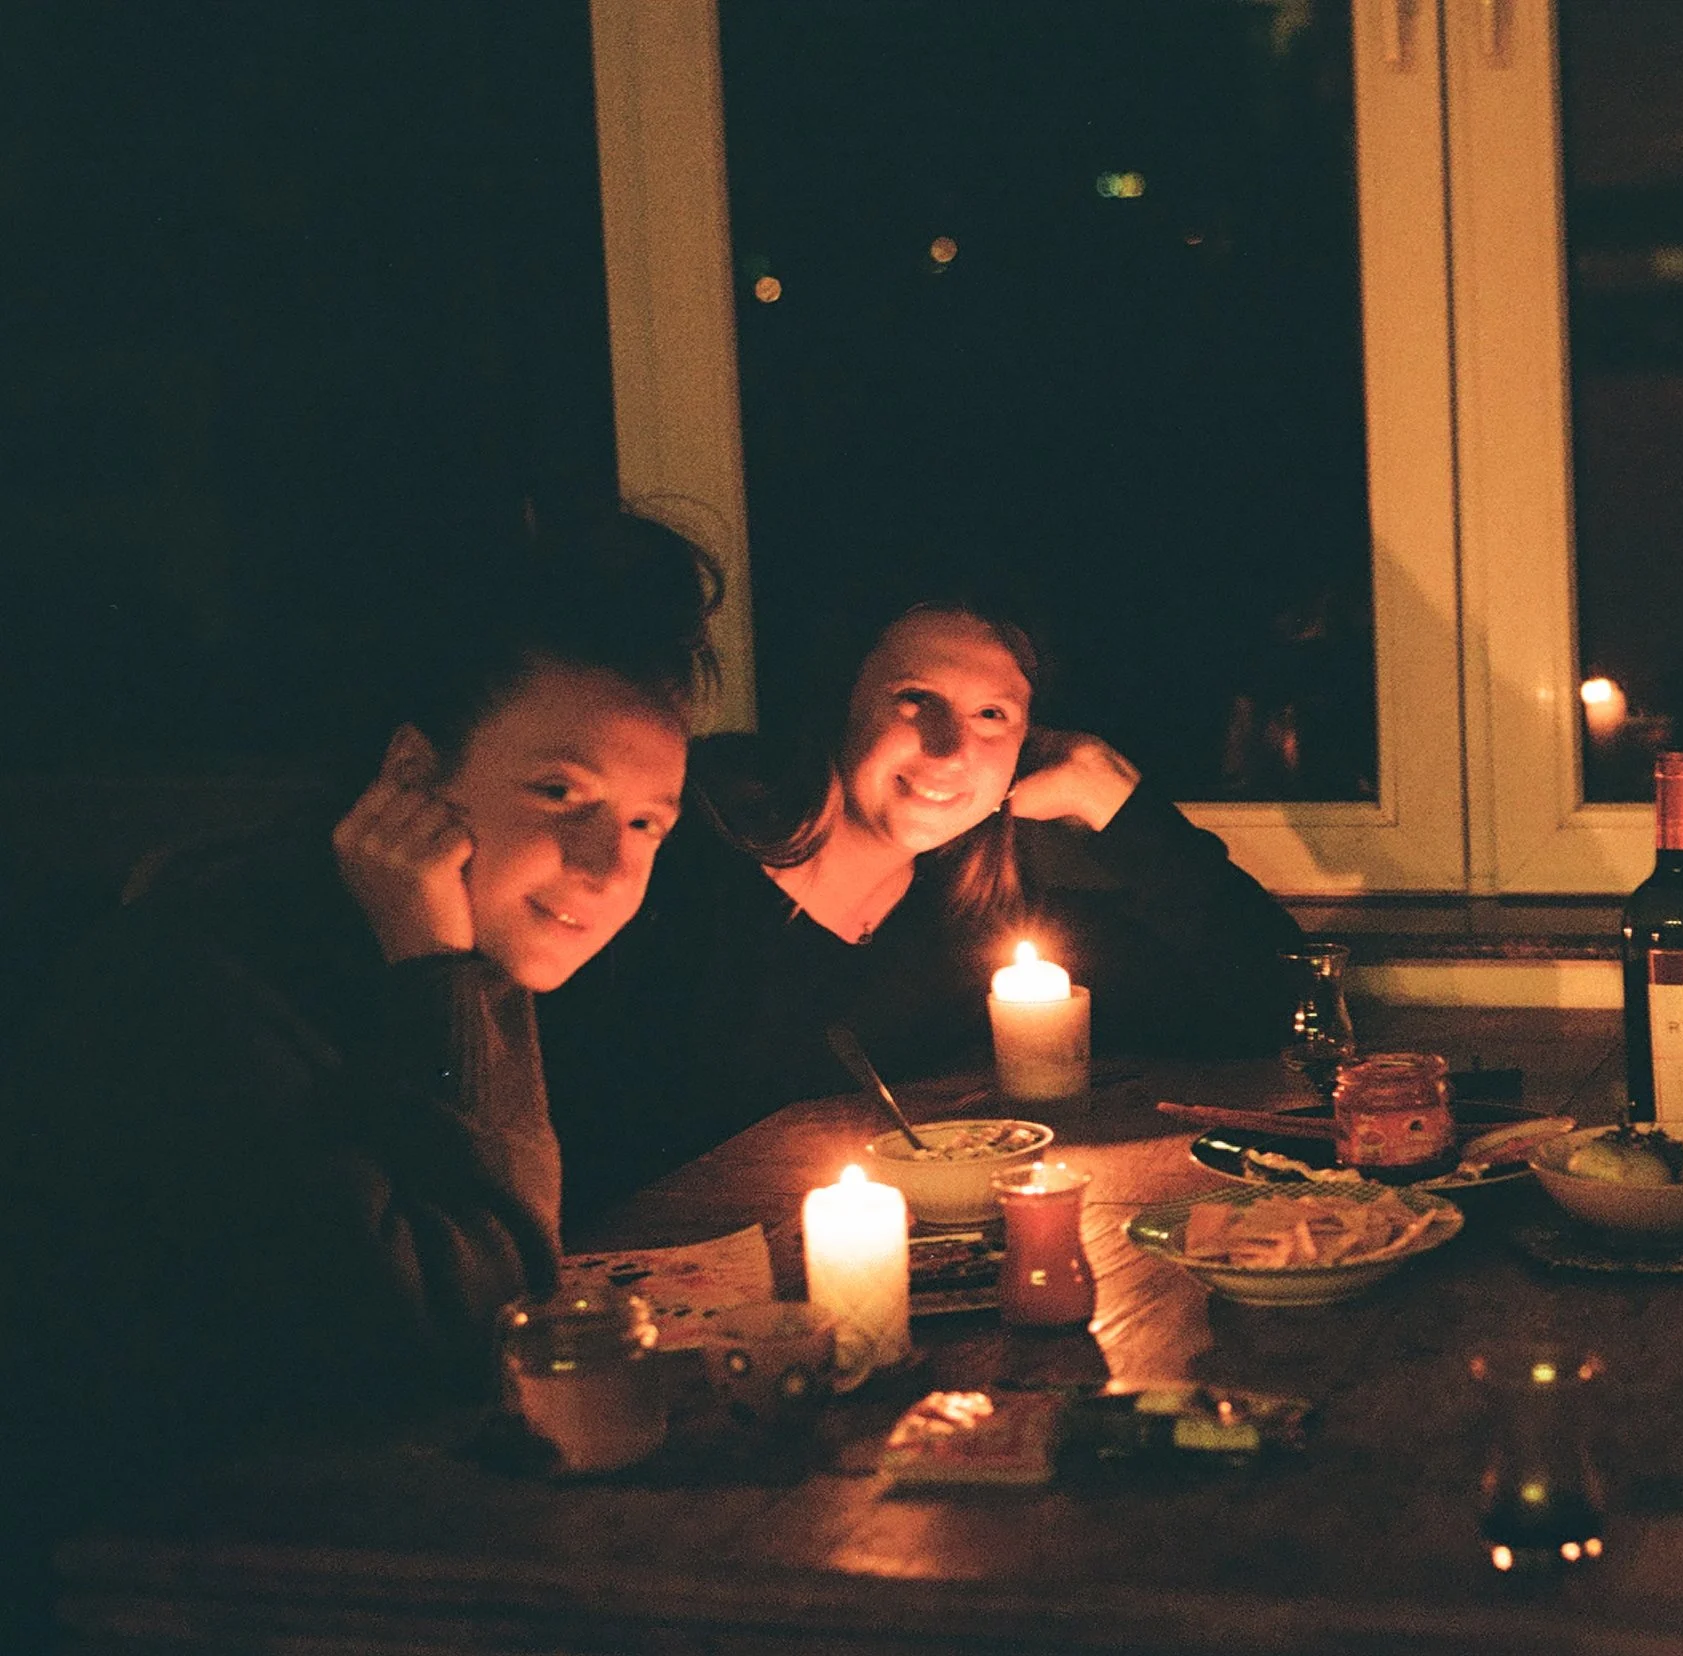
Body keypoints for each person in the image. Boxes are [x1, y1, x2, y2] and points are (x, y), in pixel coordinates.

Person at [0, 508, 720, 1603]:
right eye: (559, 793)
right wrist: (432, 976)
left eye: (645, 824)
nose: (605, 864)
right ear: (413, 773)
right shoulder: (207, 976)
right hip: (138, 1584)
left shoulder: (448, 934)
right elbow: (467, 1339)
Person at [541, 602, 1306, 1215]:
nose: (948, 750)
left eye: (992, 718)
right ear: (842, 707)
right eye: (916, 700)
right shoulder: (673, 860)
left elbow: (1270, 997)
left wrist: (1116, 800)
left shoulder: (974, 931)